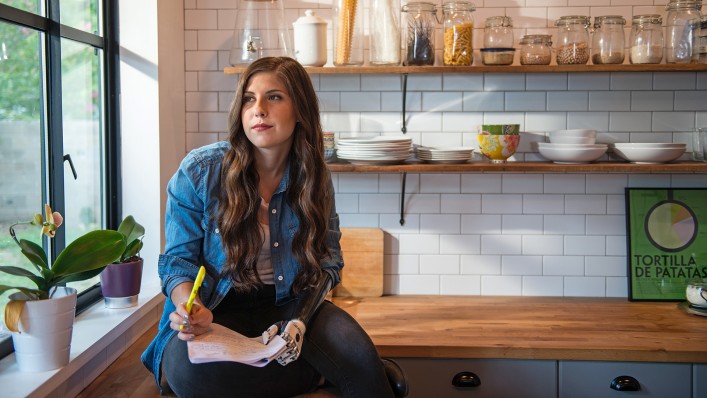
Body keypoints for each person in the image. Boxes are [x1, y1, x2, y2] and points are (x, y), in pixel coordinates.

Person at [141, 56, 396, 398]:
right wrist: (190, 307)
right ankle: (316, 376)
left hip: (289, 305)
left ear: (300, 110)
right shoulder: (199, 171)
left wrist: (301, 321)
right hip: (215, 309)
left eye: (274, 97)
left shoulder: (315, 178)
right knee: (186, 373)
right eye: (249, 98)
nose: (258, 109)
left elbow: (329, 263)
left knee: (362, 359)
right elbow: (178, 263)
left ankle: (328, 369)